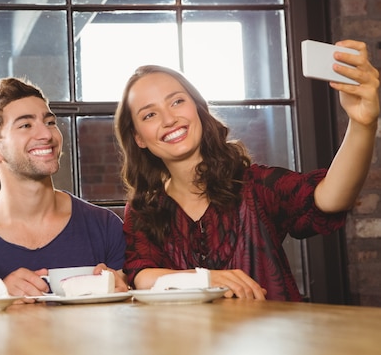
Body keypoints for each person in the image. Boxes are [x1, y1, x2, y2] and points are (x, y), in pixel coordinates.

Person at [114, 39, 379, 301]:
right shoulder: (143, 208)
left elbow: (331, 198)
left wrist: (362, 124)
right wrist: (205, 279)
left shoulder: (254, 185)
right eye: (149, 115)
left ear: (198, 108)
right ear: (138, 137)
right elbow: (142, 276)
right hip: (185, 343)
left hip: (273, 340)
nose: (169, 119)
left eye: (177, 102)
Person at [0, 77, 127, 300]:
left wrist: (122, 290)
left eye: (50, 122)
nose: (47, 135)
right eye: (25, 125)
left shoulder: (105, 227)